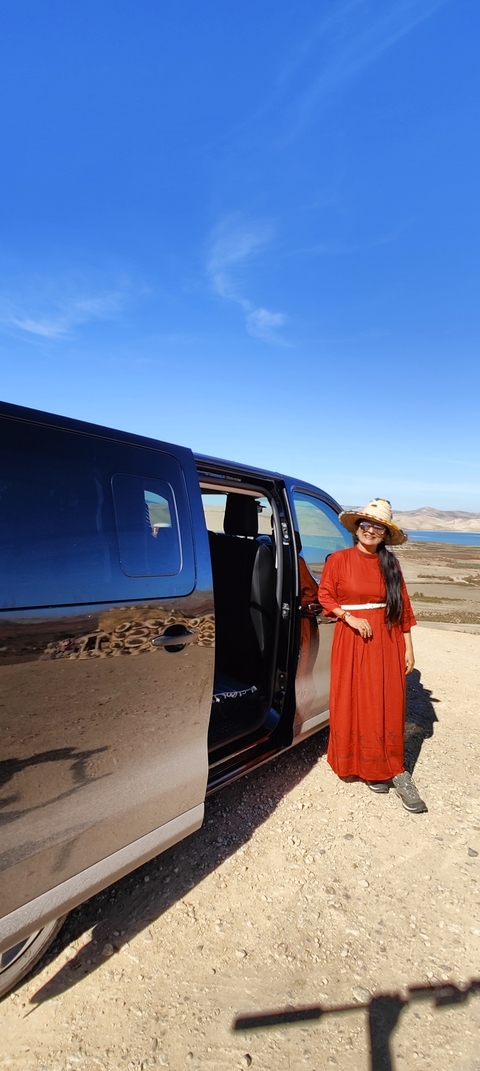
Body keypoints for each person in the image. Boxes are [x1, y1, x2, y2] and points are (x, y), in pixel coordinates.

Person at [317, 498, 427, 813]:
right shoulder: (338, 560)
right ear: (357, 528)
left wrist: (408, 646)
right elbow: (325, 593)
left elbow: (402, 605)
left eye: (378, 527)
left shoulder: (390, 564)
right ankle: (366, 767)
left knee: (388, 702)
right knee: (356, 700)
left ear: (384, 533)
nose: (371, 530)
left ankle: (392, 768)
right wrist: (348, 616)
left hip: (388, 637)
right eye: (366, 524)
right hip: (352, 638)